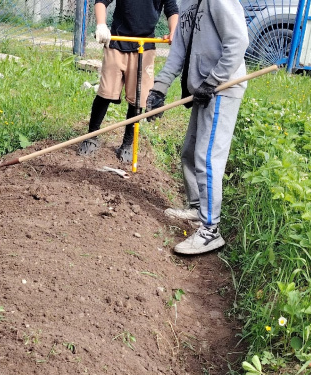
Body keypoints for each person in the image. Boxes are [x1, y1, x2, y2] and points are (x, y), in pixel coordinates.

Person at [144, 0, 249, 255]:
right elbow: (178, 51)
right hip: (203, 89)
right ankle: (197, 207)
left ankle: (210, 230)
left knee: (207, 157)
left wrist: (213, 81)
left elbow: (237, 42)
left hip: (222, 89)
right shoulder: (187, 3)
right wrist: (159, 87)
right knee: (190, 152)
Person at [78, 0, 179, 162]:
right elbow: (101, 2)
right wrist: (101, 24)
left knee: (138, 100)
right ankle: (92, 136)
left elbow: (172, 10)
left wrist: (174, 31)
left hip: (145, 45)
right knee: (105, 93)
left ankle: (127, 144)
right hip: (117, 42)